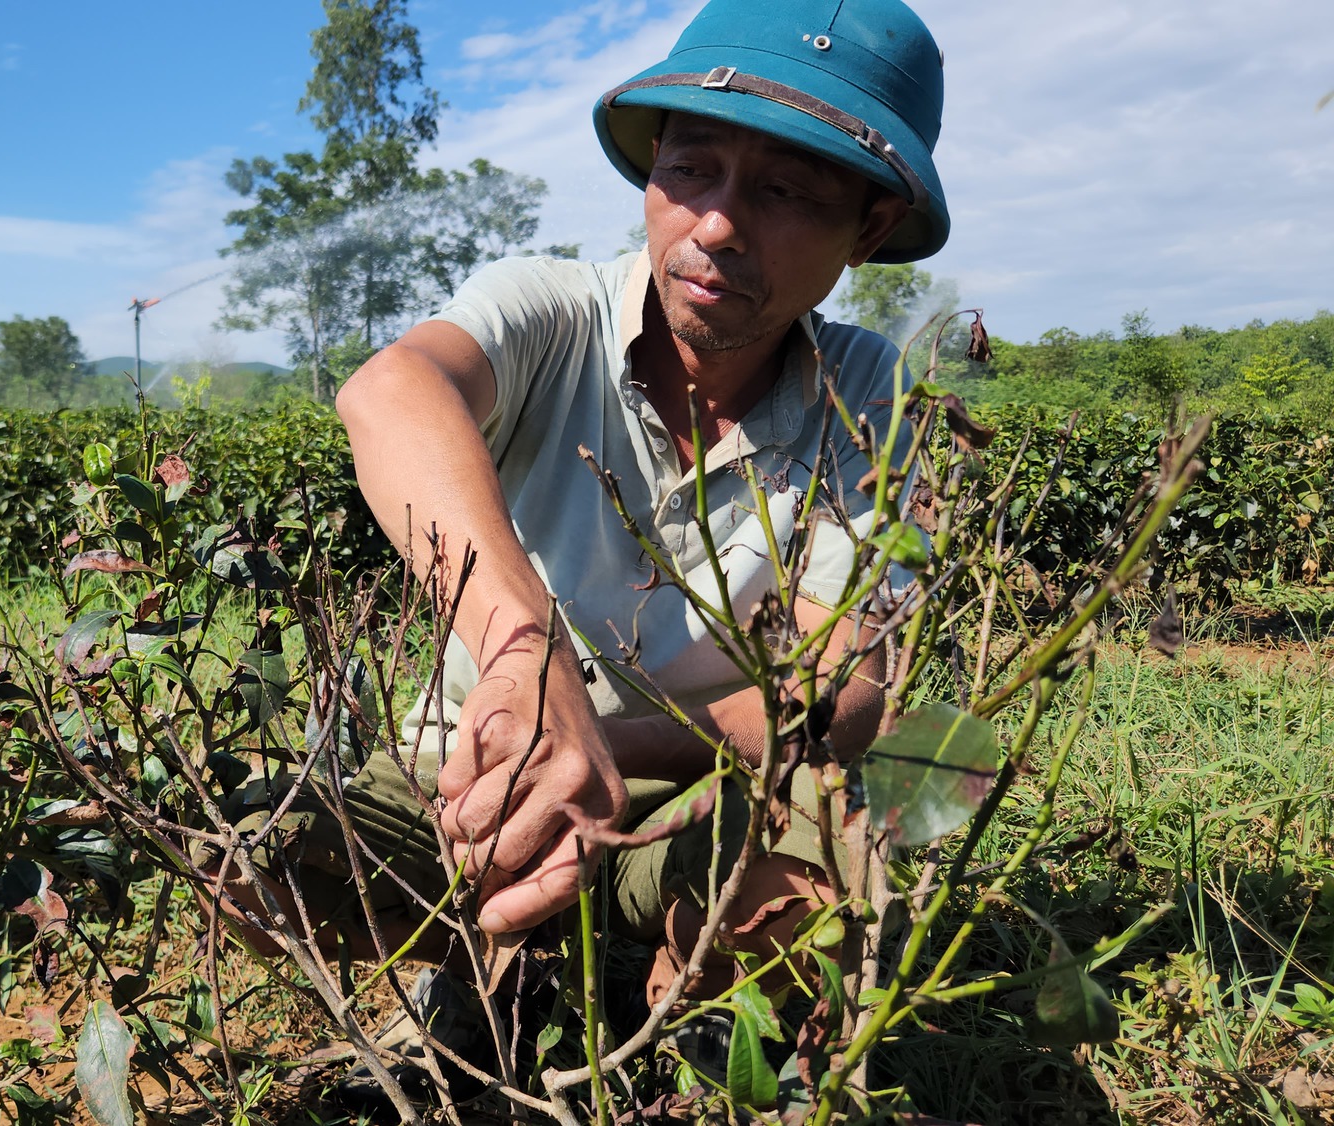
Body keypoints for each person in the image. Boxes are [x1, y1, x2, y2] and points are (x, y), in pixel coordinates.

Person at [228, 0, 950, 1103]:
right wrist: (529, 662)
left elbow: (846, 685)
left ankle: (669, 1003)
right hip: (475, 782)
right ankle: (497, 963)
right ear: (650, 172)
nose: (714, 224)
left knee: (860, 839)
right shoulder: (548, 311)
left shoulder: (873, 398)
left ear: (866, 225)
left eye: (783, 192)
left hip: (701, 799)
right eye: (692, 170)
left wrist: (604, 746)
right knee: (238, 849)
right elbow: (390, 392)